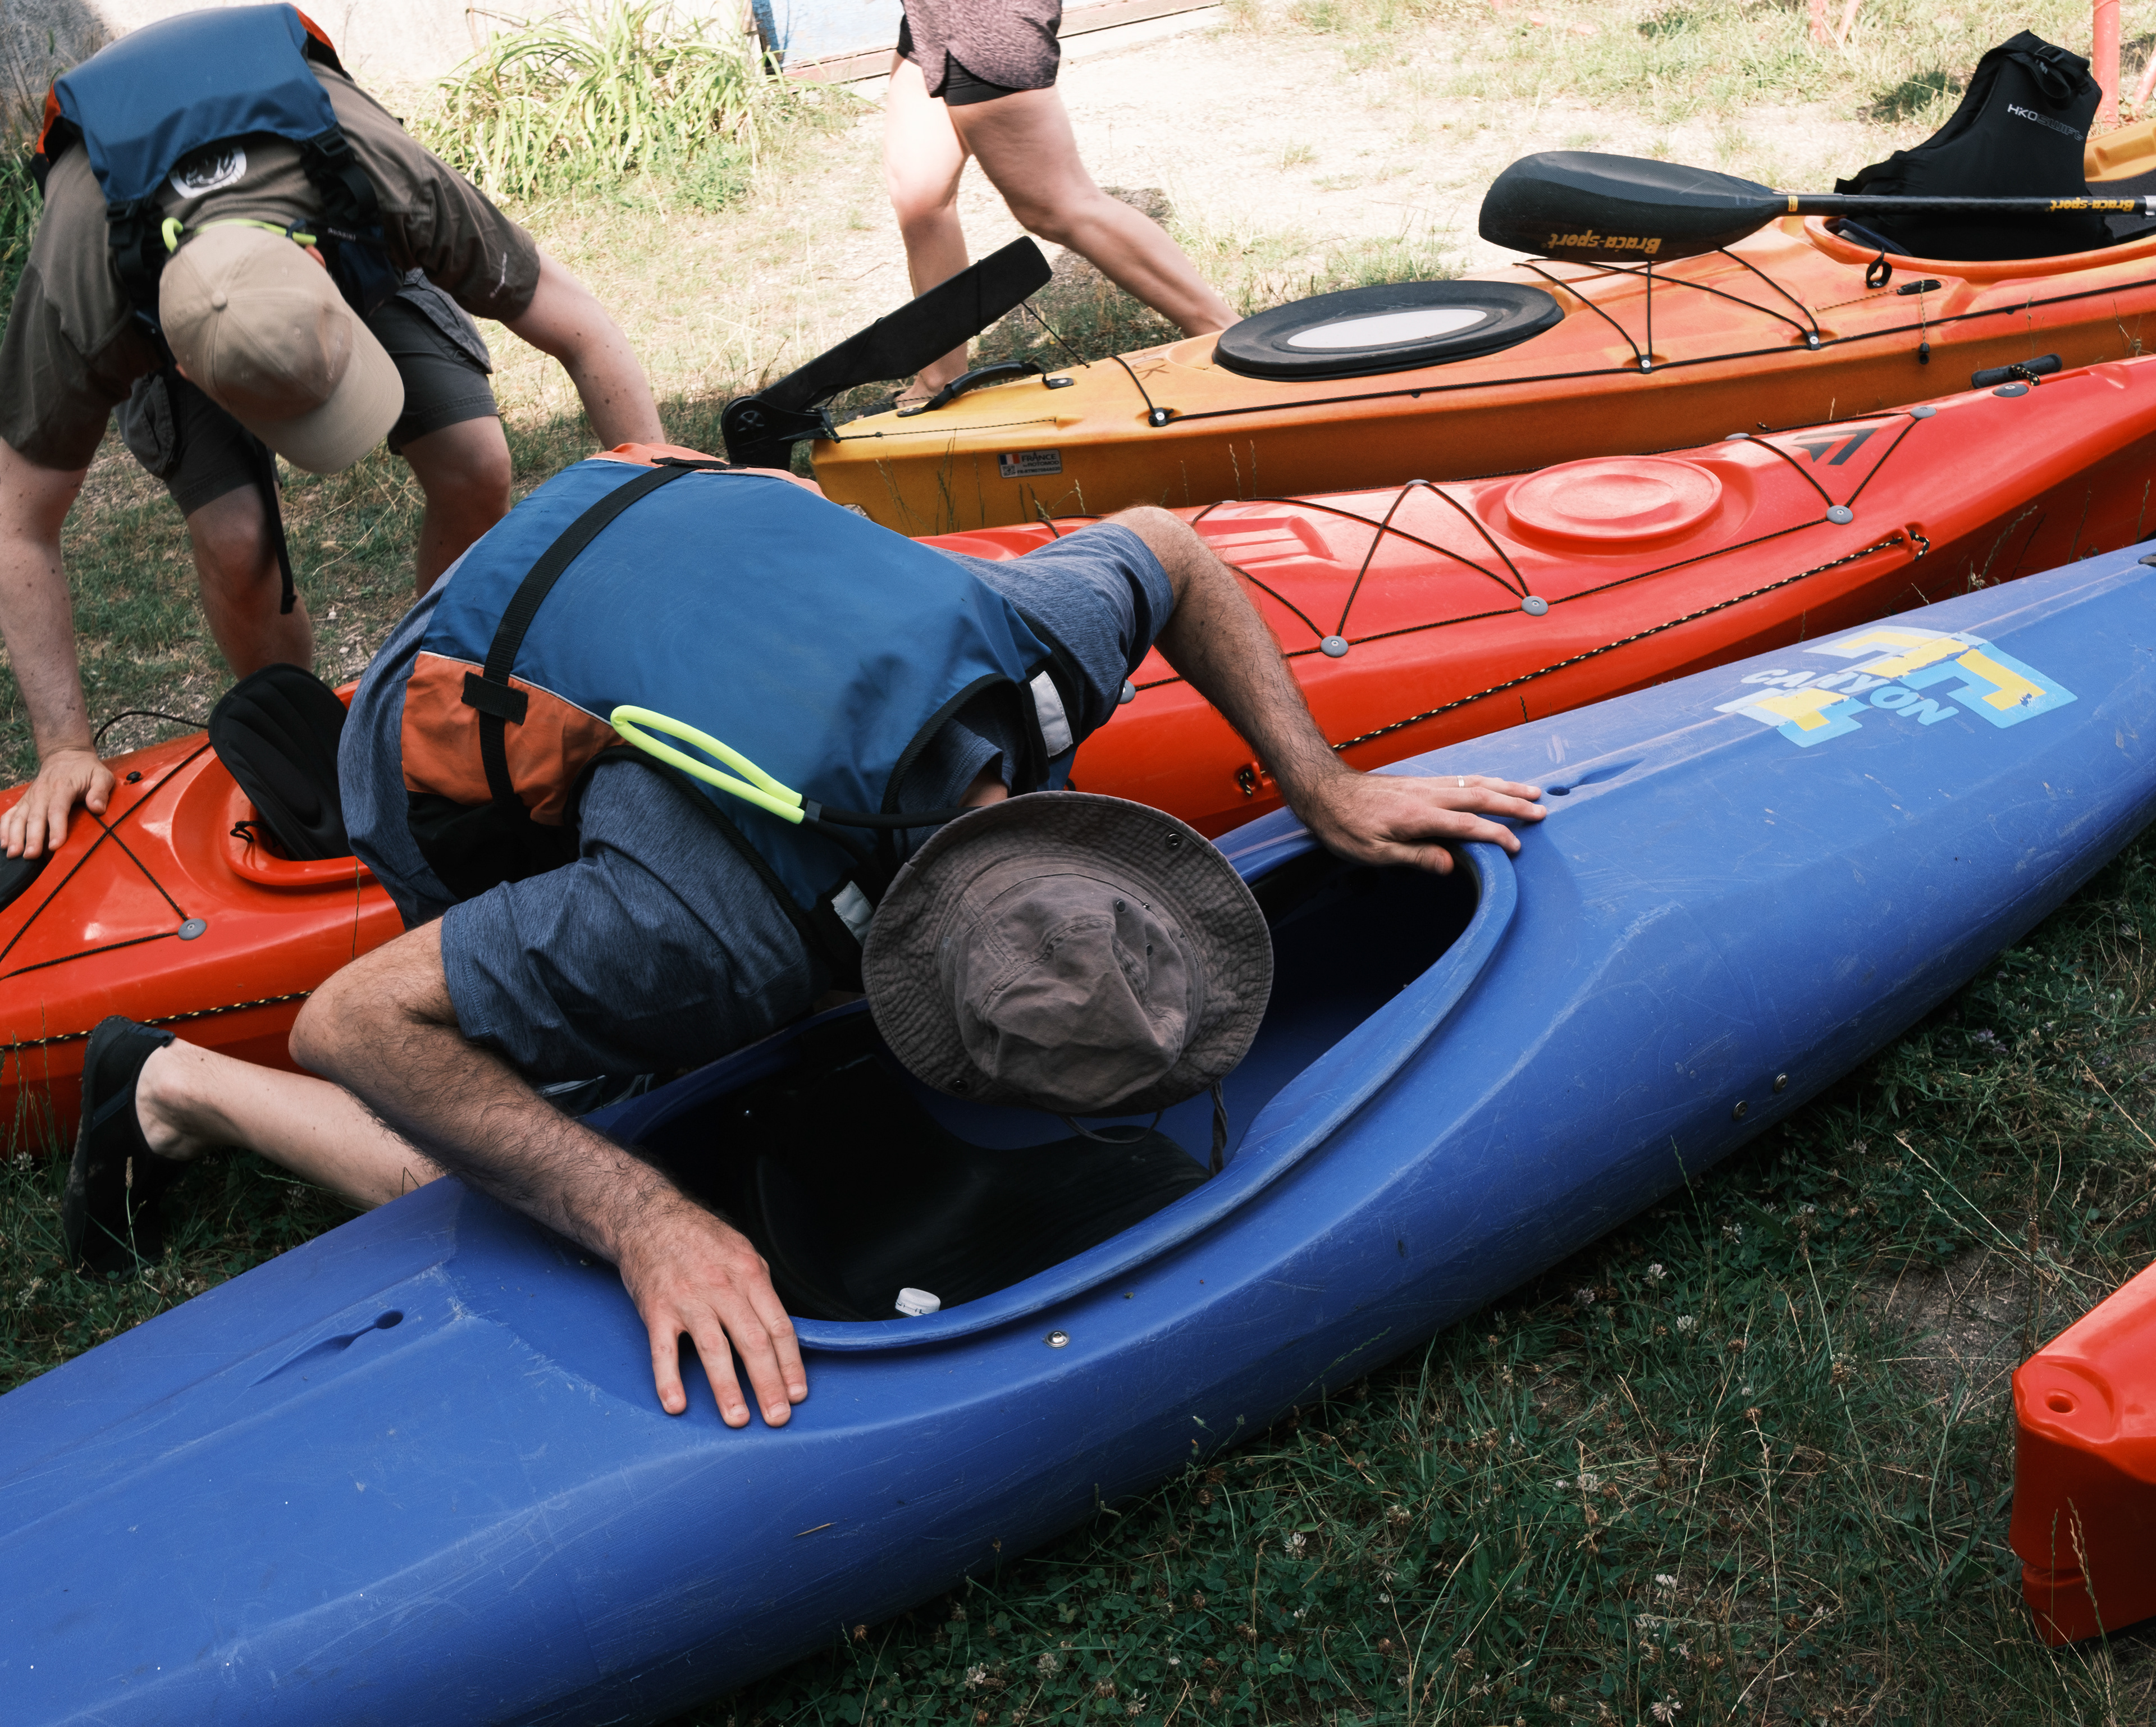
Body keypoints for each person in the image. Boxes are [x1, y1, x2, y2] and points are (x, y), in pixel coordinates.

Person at [63, 444, 1545, 1432]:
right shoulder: (706, 928)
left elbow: (1170, 547)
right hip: (459, 689)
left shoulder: (1039, 660)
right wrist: (643, 1217)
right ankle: (172, 1085)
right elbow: (352, 1019)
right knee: (516, 1149)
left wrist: (1324, 784)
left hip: (650, 517)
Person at [0, 4, 663, 866]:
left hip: (337, 232)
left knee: (474, 460)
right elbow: (17, 525)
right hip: (155, 280)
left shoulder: (380, 177)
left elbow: (582, 329)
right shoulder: (80, 293)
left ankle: (433, 693)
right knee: (237, 541)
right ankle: (305, 752)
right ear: (185, 370)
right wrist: (63, 748)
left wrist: (671, 523)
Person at [882, 0, 1236, 401]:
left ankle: (1230, 338)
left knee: (1055, 205)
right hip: (931, 15)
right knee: (919, 198)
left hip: (981, 17)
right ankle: (940, 379)